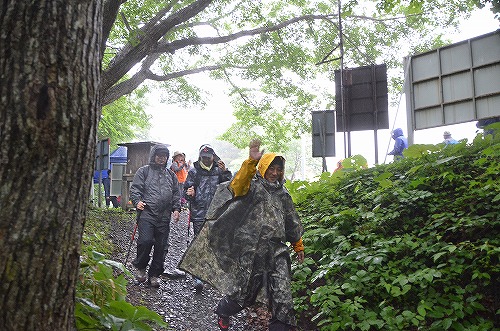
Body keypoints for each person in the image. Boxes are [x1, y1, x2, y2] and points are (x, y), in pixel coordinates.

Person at [180, 139, 305, 331]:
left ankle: (280, 327)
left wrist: (298, 245)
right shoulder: (252, 186)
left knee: (283, 296)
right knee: (244, 294)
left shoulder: (283, 194)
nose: (275, 173)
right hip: (250, 251)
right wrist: (250, 162)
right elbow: (236, 187)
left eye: (279, 169)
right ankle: (223, 310)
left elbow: (291, 221)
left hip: (277, 252)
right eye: (271, 168)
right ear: (264, 168)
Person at [130, 144, 181, 288]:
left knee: (161, 246)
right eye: (159, 156)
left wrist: (176, 209)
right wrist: (137, 201)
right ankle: (140, 267)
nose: (161, 158)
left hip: (164, 216)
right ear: (154, 156)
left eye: (164, 156)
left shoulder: (171, 175)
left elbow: (176, 194)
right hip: (147, 213)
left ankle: (154, 274)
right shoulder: (143, 171)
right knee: (145, 241)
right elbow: (135, 188)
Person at [184, 144, 232, 292]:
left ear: (213, 156)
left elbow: (229, 186)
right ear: (200, 157)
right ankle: (198, 276)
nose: (206, 160)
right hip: (199, 213)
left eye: (209, 157)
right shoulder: (193, 172)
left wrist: (225, 172)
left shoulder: (219, 170)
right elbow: (186, 192)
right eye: (204, 157)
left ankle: (210, 273)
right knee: (200, 243)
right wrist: (189, 194)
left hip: (217, 214)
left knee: (214, 244)